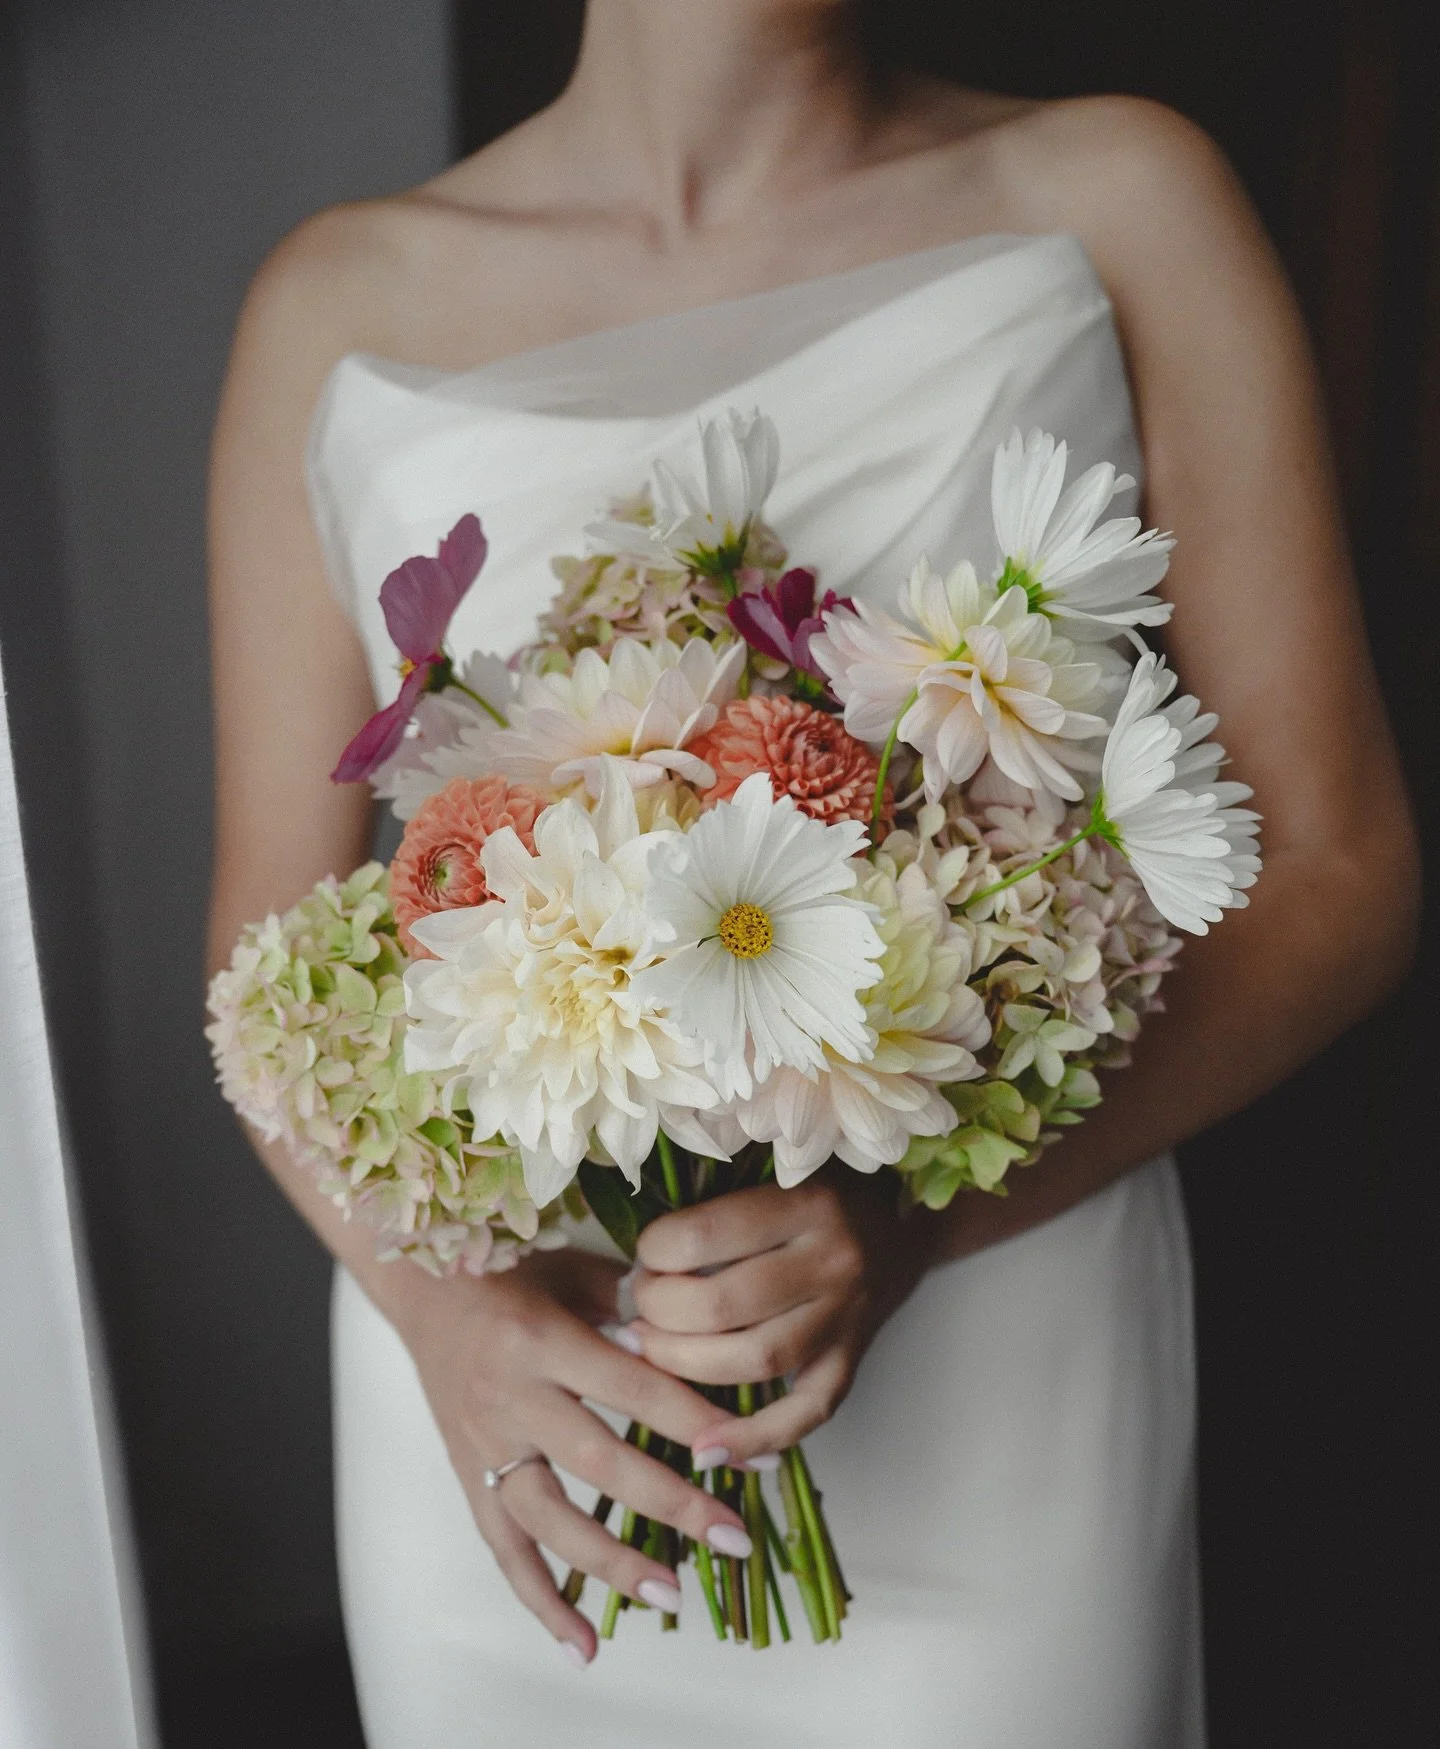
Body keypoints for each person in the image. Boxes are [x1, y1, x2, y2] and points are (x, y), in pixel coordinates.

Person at [206, 3, 1419, 1744]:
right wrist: (441, 1313)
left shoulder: (1123, 196)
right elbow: (264, 946)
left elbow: (1343, 864)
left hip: (1001, 1364)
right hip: (524, 1404)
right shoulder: (334, 303)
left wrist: (913, 1223)